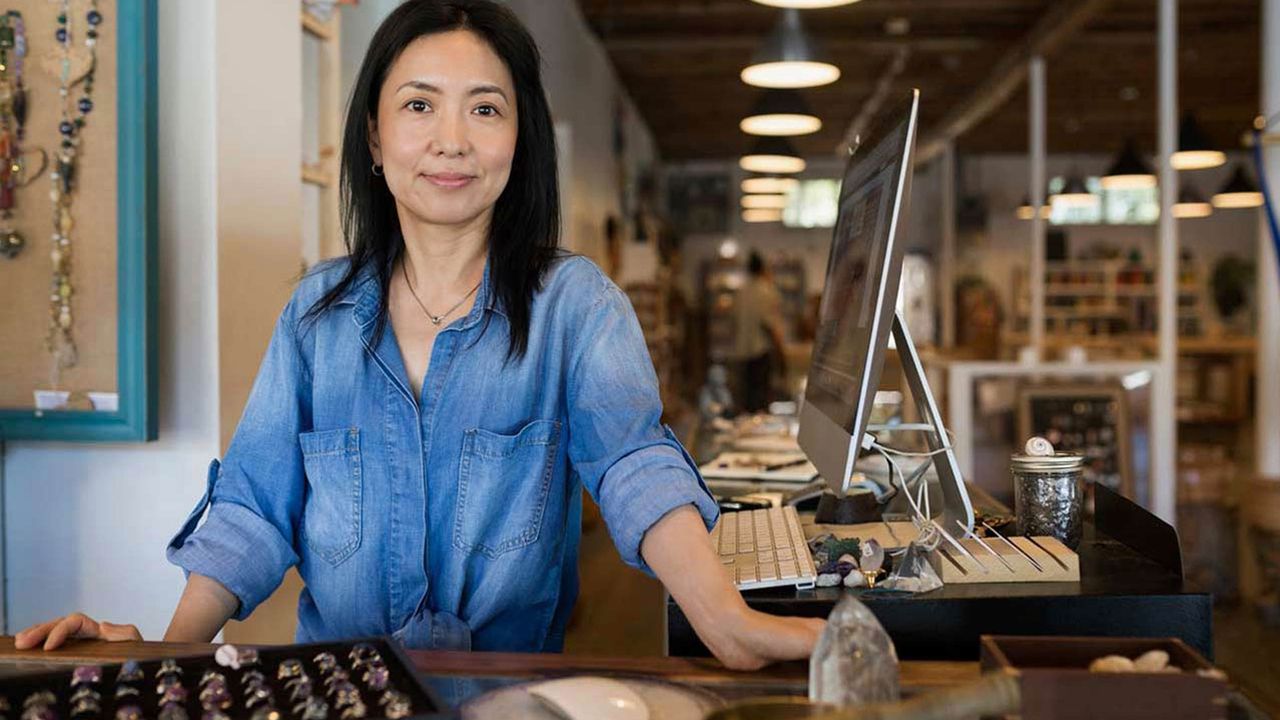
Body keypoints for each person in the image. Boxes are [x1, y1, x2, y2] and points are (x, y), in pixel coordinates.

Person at [16, 0, 822, 669]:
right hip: (338, 693)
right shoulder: (315, 316)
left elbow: (633, 461)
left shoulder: (575, 305)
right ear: (373, 138)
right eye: (418, 104)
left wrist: (722, 617)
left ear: (519, 139)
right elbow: (254, 509)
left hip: (509, 698)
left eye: (485, 107)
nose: (451, 140)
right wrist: (164, 654)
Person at [728, 252, 787, 413]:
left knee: (745, 401)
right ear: (762, 269)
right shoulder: (766, 291)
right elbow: (770, 326)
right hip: (760, 353)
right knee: (760, 402)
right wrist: (781, 354)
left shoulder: (740, 292)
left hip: (741, 354)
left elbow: (733, 324)